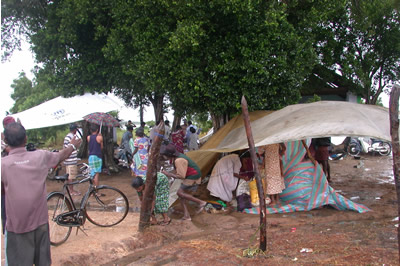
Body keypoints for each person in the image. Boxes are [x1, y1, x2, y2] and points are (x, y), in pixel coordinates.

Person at [1, 122, 82, 265]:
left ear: (5, 140)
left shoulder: (3, 165)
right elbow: (61, 155)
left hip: (17, 227)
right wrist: (73, 145)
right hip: (41, 224)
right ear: (25, 139)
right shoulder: (40, 157)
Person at [160, 144, 207, 221]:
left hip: (193, 176)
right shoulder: (178, 157)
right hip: (191, 175)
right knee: (181, 196)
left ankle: (201, 202)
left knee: (179, 193)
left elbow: (181, 176)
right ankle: (186, 215)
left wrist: (168, 174)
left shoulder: (179, 160)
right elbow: (178, 172)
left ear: (168, 155)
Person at [1, 116, 15, 235]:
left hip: (15, 177)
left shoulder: (14, 140)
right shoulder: (3, 141)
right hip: (4, 179)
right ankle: (7, 232)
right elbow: (10, 150)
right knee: (5, 206)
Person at [64, 123, 81, 195]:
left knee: (68, 175)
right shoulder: (73, 137)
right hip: (71, 159)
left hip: (67, 159)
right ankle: (71, 191)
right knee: (71, 176)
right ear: (74, 130)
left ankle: (69, 190)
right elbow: (74, 146)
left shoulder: (67, 136)